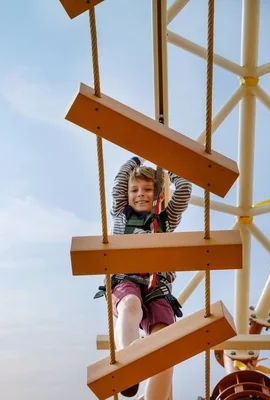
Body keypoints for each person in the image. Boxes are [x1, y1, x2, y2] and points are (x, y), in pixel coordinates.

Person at [95, 156, 192, 399]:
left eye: (148, 190)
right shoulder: (120, 213)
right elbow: (119, 182)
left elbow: (185, 190)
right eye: (135, 190)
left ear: (158, 195)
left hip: (157, 286)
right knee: (130, 305)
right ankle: (129, 364)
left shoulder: (166, 219)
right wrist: (133, 161)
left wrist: (167, 167)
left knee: (163, 345)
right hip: (126, 279)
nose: (141, 195)